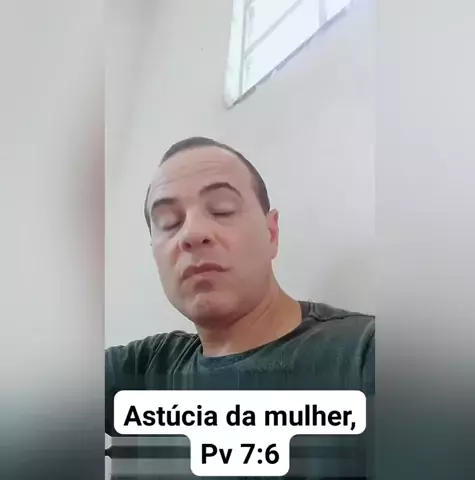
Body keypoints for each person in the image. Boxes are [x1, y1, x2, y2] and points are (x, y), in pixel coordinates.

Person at [105, 136, 375, 478]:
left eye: (221, 210)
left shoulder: (363, 355)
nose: (192, 234)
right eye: (169, 221)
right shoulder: (143, 370)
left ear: (271, 233)